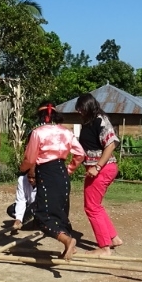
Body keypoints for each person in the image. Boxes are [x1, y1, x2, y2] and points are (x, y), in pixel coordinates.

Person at [18, 102, 85, 260]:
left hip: (47, 174)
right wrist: (69, 169)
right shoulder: (66, 132)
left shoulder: (38, 132)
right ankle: (69, 244)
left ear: (40, 116)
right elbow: (80, 153)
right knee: (60, 212)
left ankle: (68, 241)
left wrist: (22, 169)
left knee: (43, 216)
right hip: (62, 173)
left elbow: (30, 158)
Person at [76, 92, 123, 256]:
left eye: (81, 109)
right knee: (96, 206)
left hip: (102, 169)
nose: (79, 112)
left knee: (91, 207)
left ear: (88, 106)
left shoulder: (100, 120)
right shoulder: (89, 122)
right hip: (98, 169)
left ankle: (104, 248)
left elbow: (111, 144)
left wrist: (97, 166)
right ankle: (113, 238)